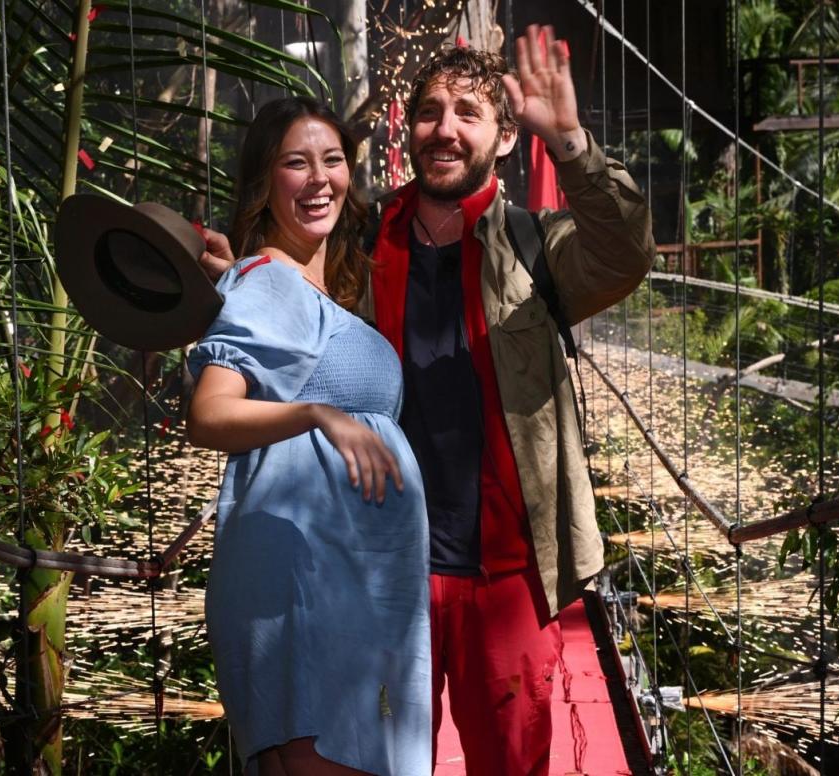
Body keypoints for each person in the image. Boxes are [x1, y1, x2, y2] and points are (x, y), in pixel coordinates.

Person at [200, 25, 654, 774]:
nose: (445, 129)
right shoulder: (362, 243)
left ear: (505, 138)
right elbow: (282, 289)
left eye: (468, 113)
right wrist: (219, 271)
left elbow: (626, 251)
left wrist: (569, 139)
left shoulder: (539, 248)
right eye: (430, 111)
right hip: (376, 566)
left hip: (505, 572)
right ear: (407, 131)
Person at [185, 96, 432, 776]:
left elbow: (279, 344)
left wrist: (238, 279)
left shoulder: (286, 286)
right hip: (306, 589)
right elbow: (210, 413)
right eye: (297, 163)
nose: (320, 178)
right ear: (267, 182)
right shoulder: (267, 282)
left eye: (333, 160)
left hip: (345, 582)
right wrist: (317, 415)